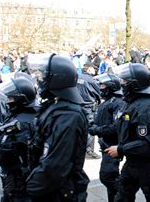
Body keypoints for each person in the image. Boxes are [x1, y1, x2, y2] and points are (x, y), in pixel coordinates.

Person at [25, 53, 90, 201]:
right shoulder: (57, 106)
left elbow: (56, 165)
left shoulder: (68, 116)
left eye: (42, 76)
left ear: (56, 79)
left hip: (59, 192)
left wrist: (30, 187)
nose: (39, 80)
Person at [105, 63, 150, 201]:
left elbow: (148, 145)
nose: (122, 83)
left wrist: (121, 149)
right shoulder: (132, 103)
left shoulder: (148, 108)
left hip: (148, 167)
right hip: (132, 163)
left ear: (135, 84)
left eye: (125, 81)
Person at [0, 73, 37, 201]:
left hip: (20, 180)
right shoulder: (31, 114)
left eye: (11, 98)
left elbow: (5, 157)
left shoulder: (21, 122)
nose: (8, 100)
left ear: (20, 100)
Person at [89, 73, 126, 202]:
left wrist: (97, 130)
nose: (101, 87)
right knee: (110, 177)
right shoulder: (107, 101)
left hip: (113, 145)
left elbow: (117, 127)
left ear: (111, 87)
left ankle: (123, 197)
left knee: (107, 176)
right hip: (105, 144)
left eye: (103, 85)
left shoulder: (118, 102)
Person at [77, 63, 102, 159]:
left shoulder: (76, 77)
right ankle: (85, 149)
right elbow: (99, 93)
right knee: (91, 130)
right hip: (88, 107)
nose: (95, 70)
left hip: (77, 106)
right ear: (90, 68)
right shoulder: (92, 80)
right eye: (94, 68)